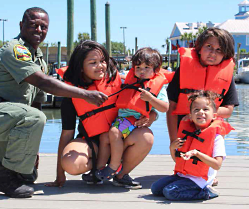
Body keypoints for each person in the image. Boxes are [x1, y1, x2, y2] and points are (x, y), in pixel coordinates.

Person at [0, 7, 108, 198]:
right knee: (34, 120)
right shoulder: (14, 50)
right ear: (21, 25)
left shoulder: (38, 59)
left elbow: (36, 103)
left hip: (8, 122)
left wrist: (31, 150)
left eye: (44, 27)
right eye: (34, 25)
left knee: (27, 173)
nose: (39, 30)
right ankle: (5, 180)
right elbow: (44, 83)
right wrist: (85, 94)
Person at [46, 41, 155, 189]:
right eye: (93, 62)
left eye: (103, 61)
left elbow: (146, 106)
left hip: (121, 139)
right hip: (93, 144)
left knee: (146, 137)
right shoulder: (72, 95)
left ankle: (121, 174)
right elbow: (66, 134)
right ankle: (97, 170)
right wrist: (60, 174)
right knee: (71, 163)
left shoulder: (120, 83)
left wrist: (152, 116)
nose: (101, 66)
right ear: (81, 67)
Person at [166, 28, 239, 186]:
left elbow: (228, 110)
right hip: (183, 124)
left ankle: (209, 173)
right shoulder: (183, 70)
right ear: (199, 48)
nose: (213, 53)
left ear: (225, 54)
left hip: (209, 126)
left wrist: (203, 111)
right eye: (209, 47)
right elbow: (171, 108)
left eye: (219, 50)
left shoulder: (226, 76)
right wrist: (173, 139)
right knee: (181, 158)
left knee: (217, 124)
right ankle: (184, 170)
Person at [94, 47, 169, 181]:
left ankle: (114, 166)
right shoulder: (128, 80)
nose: (141, 71)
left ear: (156, 70)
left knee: (114, 133)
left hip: (133, 120)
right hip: (123, 119)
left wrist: (151, 100)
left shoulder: (158, 86)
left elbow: (164, 107)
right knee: (105, 138)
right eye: (138, 67)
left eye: (147, 67)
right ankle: (98, 171)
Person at [151, 90, 233, 200]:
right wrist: (172, 148)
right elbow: (177, 160)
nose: (201, 112)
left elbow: (217, 165)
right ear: (190, 115)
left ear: (214, 116)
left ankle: (206, 193)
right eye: (196, 109)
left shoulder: (217, 138)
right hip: (182, 175)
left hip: (200, 179)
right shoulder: (187, 133)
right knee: (155, 188)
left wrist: (197, 153)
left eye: (205, 109)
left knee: (169, 192)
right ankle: (188, 187)